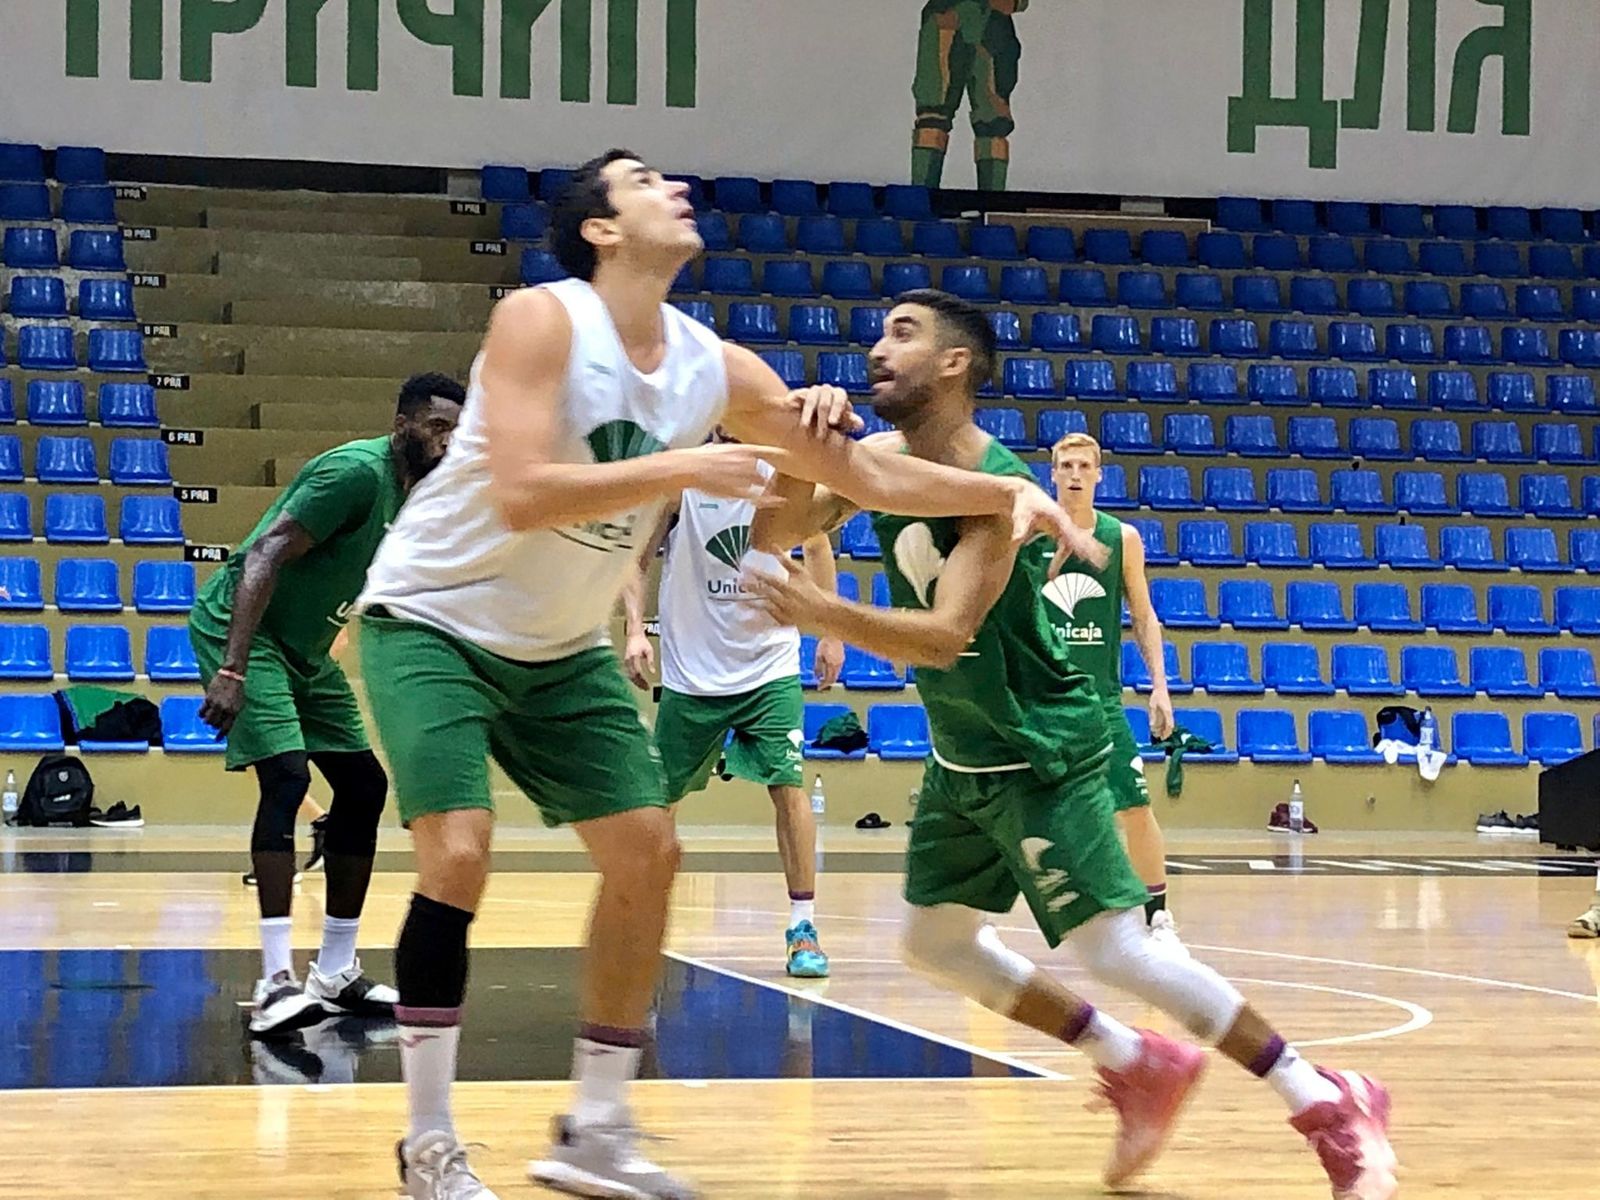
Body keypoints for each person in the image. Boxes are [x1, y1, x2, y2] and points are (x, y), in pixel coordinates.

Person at [353, 150, 1098, 1200]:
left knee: (650, 854)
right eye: (642, 182)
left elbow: (864, 473)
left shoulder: (716, 366)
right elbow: (521, 491)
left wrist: (1005, 493)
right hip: (436, 616)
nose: (674, 189)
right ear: (601, 229)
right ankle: (430, 1142)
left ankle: (595, 1130)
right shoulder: (542, 319)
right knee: (461, 853)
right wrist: (686, 465)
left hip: (557, 650)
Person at [745, 290, 1398, 1200]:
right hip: (963, 756)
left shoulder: (998, 490)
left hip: (1042, 747)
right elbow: (773, 531)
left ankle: (1326, 1097)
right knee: (935, 942)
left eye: (903, 334)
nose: (877, 348)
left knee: (1119, 950)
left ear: (954, 364)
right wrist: (800, 448)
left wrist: (825, 613)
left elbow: (945, 637)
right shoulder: (883, 459)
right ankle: (1134, 1060)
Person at [188, 373, 466, 1036]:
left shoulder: (425, 493)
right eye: (436, 426)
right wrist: (232, 667)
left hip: (307, 648)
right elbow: (265, 551)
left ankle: (336, 972)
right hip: (246, 634)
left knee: (364, 786)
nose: (447, 441)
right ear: (402, 425)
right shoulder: (355, 474)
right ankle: (275, 983)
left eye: (458, 431)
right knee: (287, 778)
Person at [620, 445, 844, 978]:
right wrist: (633, 629)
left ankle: (803, 927)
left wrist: (831, 632)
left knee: (789, 787)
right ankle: (640, 923)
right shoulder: (685, 478)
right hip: (693, 671)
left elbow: (817, 546)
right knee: (660, 801)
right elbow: (634, 557)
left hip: (769, 663)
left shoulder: (785, 476)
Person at [1049, 432, 1179, 944]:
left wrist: (1160, 686)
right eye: (1066, 466)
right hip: (1041, 699)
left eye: (1084, 466)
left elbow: (1144, 616)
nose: (1075, 475)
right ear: (1053, 474)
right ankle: (980, 921)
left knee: (1135, 807)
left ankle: (1158, 915)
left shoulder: (1121, 537)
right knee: (1004, 809)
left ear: (1099, 475)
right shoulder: (1031, 535)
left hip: (1099, 701)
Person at [911, 0, 1028, 190]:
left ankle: (992, 203)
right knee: (932, 114)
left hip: (992, 28)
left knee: (994, 121)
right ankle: (921, 199)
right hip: (945, 17)